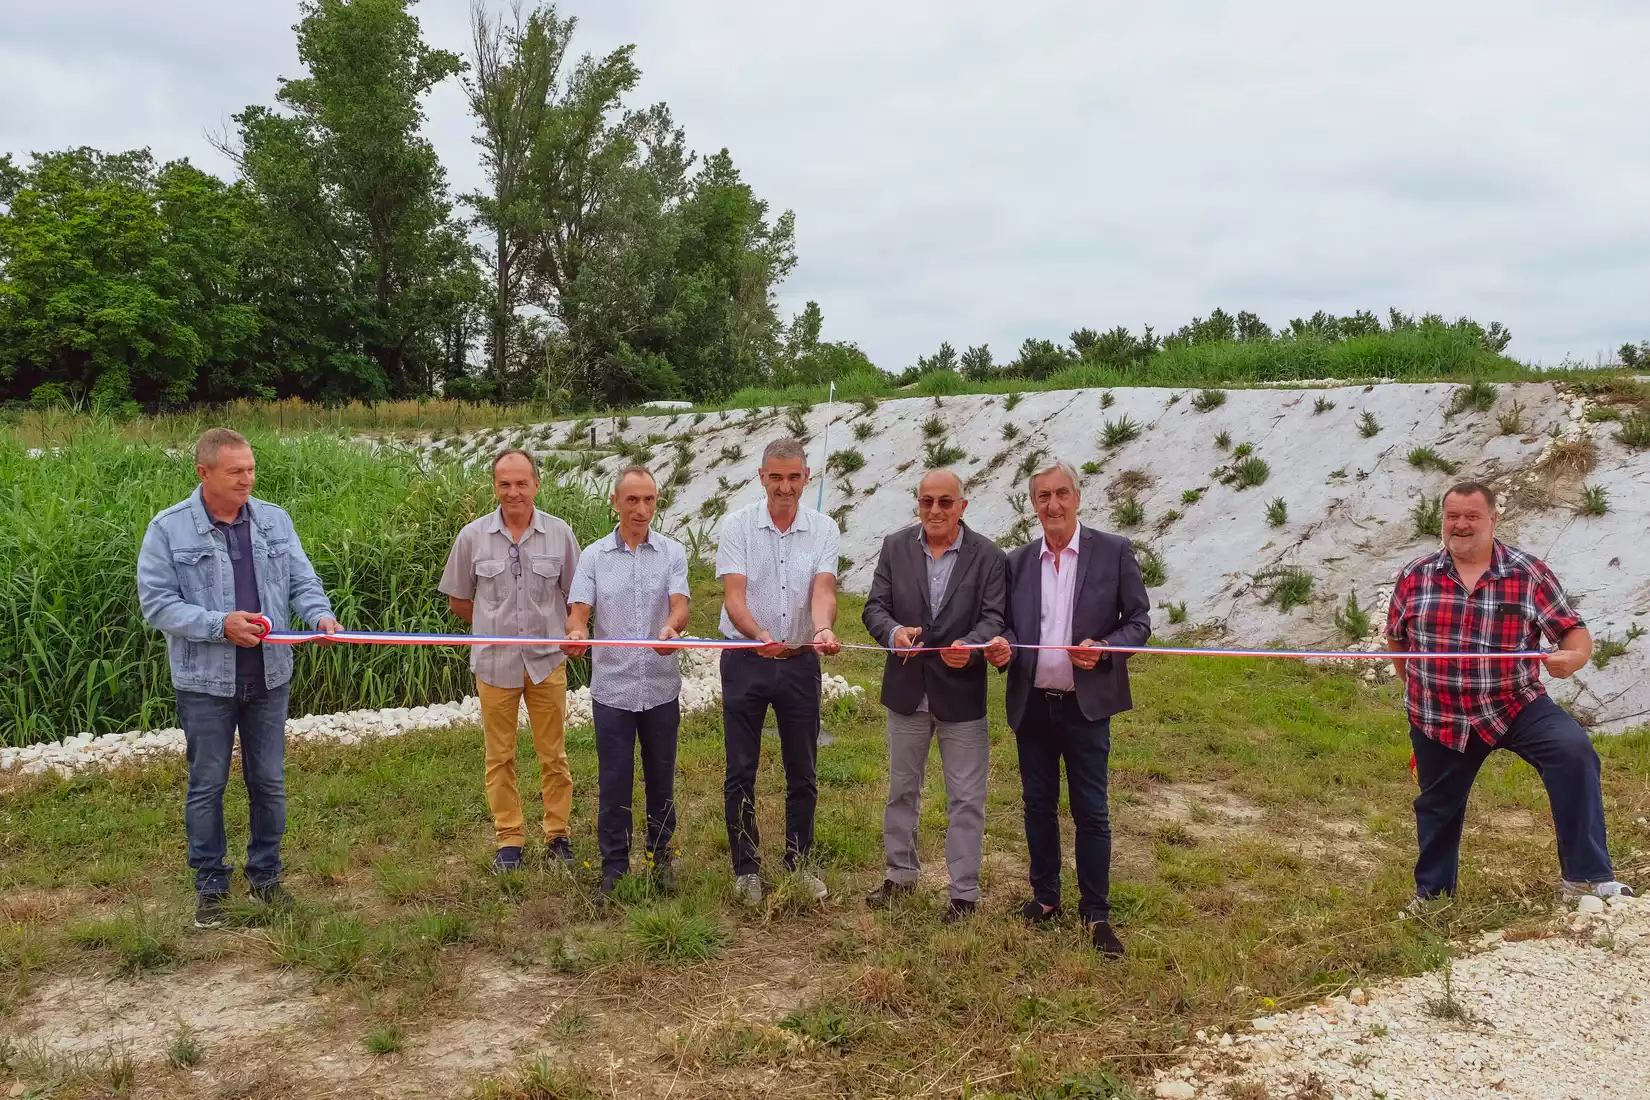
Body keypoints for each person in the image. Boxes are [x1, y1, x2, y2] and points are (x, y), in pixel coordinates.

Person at [1385, 480, 1633, 905]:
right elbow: (1397, 638)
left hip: (1514, 703)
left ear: (1493, 519)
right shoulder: (1415, 575)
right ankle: (1434, 898)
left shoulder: (1528, 572)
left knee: (1572, 752)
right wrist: (1414, 688)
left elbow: (1573, 633)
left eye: (1472, 516)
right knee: (1437, 808)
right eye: (1452, 516)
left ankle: (1587, 880)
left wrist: (1572, 658)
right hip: (1438, 715)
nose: (1460, 525)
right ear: (1442, 520)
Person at [137, 428, 341, 929]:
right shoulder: (168, 529)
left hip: (270, 677)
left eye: (251, 469)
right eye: (236, 472)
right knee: (207, 784)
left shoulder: (274, 520)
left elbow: (302, 580)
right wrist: (219, 624)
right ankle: (210, 884)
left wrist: (320, 617)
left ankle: (266, 877)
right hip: (204, 683)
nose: (248, 479)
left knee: (268, 782)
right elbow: (158, 605)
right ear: (203, 473)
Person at [983, 461, 1150, 956]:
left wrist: (1104, 645)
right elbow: (1008, 626)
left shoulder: (1114, 551)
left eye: (1061, 494)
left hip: (1086, 706)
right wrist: (1003, 647)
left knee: (1090, 811)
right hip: (1032, 704)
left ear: (1078, 497)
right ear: (1032, 505)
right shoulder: (1016, 562)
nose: (1052, 505)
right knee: (1037, 805)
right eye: (1042, 497)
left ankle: (1096, 912)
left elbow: (1139, 622)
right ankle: (1046, 897)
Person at [861, 469, 1007, 922]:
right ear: (918, 504)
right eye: (927, 502)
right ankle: (900, 874)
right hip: (906, 692)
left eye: (946, 502)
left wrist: (974, 646)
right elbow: (874, 608)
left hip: (961, 695)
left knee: (965, 796)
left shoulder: (989, 557)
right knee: (902, 789)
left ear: (963, 506)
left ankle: (963, 893)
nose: (936, 511)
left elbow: (994, 618)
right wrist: (893, 632)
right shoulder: (894, 547)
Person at [439, 449, 582, 874]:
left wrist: (570, 629)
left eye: (521, 483)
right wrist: (493, 625)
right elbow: (460, 601)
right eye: (505, 484)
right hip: (495, 666)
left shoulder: (560, 535)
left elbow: (577, 598)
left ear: (536, 484)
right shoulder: (472, 537)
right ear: (494, 487)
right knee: (499, 757)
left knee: (552, 755)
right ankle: (509, 839)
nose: (513, 492)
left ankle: (558, 835)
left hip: (546, 662)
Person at [715, 437, 843, 905]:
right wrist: (759, 635)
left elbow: (823, 589)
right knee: (741, 770)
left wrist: (824, 627)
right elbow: (734, 596)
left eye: (793, 477)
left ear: (807, 478)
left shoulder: (824, 529)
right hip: (746, 659)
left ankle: (800, 861)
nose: (784, 487)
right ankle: (745, 868)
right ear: (762, 477)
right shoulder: (738, 526)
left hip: (799, 663)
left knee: (803, 769)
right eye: (776, 477)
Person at [563, 467, 691, 902]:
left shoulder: (672, 552)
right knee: (614, 780)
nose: (641, 509)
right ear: (615, 502)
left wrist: (672, 629)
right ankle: (613, 869)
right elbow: (579, 609)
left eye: (649, 500)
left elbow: (680, 605)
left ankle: (661, 863)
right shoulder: (595, 556)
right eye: (632, 500)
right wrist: (577, 631)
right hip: (613, 690)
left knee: (661, 778)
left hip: (660, 688)